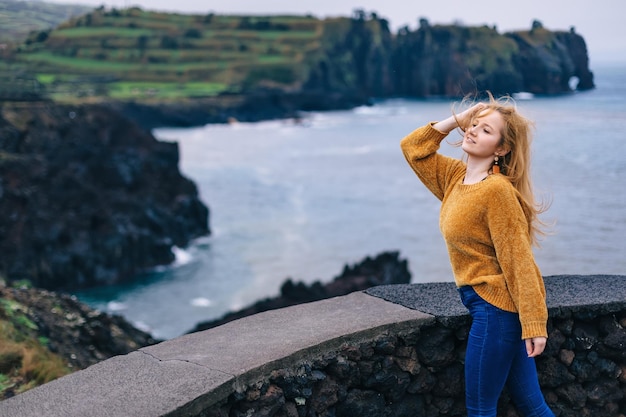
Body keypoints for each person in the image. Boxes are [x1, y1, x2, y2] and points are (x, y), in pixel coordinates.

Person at [400, 94, 555, 417]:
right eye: (473, 125)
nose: (472, 131)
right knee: (531, 406)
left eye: (486, 130)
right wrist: (460, 119)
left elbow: (518, 259)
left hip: (495, 309)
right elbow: (413, 148)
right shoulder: (454, 179)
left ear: (501, 148)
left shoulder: (496, 191)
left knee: (481, 410)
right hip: (488, 306)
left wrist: (535, 323)